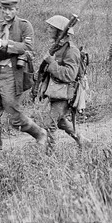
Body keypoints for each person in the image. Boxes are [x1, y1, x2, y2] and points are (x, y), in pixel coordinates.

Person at [0, 0, 47, 153]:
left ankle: (40, 134)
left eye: (10, 9)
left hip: (13, 76)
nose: (7, 13)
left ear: (16, 9)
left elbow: (28, 48)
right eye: (4, 9)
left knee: (14, 116)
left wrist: (5, 43)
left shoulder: (25, 26)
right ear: (0, 9)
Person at [39, 15, 90, 151]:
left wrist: (51, 63)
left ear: (60, 31)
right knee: (60, 121)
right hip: (56, 91)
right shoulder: (57, 47)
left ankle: (51, 155)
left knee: (50, 123)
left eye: (51, 28)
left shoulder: (71, 50)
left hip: (66, 93)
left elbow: (69, 75)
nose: (48, 29)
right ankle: (82, 140)